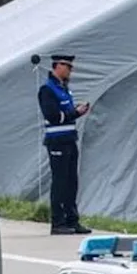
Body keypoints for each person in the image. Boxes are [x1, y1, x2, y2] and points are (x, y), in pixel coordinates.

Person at [37, 54, 91, 235]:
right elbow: (52, 116)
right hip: (57, 141)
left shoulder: (64, 89)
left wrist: (74, 113)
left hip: (69, 139)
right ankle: (57, 222)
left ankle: (72, 219)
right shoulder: (48, 89)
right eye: (67, 67)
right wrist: (75, 113)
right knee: (59, 182)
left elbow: (65, 113)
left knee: (71, 182)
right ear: (57, 66)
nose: (70, 71)